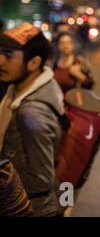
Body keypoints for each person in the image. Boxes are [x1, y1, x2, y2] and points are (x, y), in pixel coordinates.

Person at [0, 23, 64, 216]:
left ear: (34, 63)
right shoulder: (32, 84)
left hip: (31, 210)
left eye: (8, 55)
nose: (0, 61)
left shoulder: (31, 112)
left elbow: (41, 179)